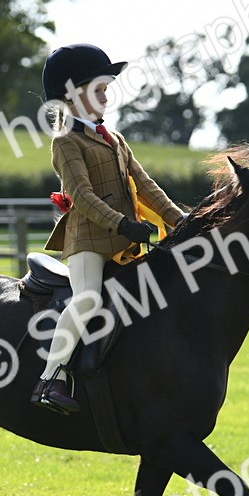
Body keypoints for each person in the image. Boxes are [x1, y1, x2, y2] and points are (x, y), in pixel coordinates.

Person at [30, 44, 187, 414]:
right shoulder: (67, 141)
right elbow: (81, 195)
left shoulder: (114, 139)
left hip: (124, 239)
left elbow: (146, 186)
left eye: (105, 90)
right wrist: (122, 224)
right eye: (99, 90)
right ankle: (50, 377)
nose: (106, 97)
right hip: (88, 240)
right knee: (87, 299)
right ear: (72, 95)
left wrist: (182, 222)